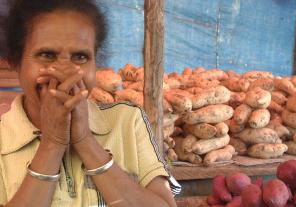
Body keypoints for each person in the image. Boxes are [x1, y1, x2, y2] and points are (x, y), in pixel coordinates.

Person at [0, 0, 180, 206]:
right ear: (15, 61)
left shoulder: (129, 122)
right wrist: (52, 144)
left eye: (80, 57)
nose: (64, 73)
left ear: (96, 64)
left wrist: (85, 141)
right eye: (47, 55)